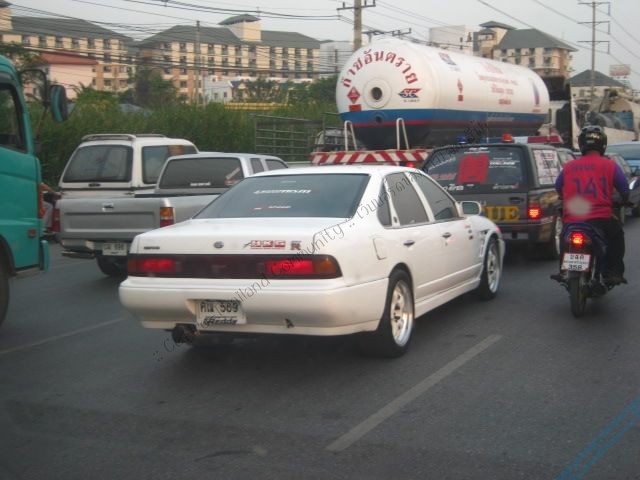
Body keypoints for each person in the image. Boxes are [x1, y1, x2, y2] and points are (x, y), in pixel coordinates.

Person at [553, 125, 630, 285]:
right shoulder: (610, 165)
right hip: (601, 218)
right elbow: (624, 189)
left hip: (573, 219)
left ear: (582, 144)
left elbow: (558, 186)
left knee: (564, 237)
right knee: (616, 236)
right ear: (603, 145)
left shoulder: (569, 166)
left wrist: (564, 197)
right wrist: (623, 201)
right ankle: (613, 272)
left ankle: (563, 270)